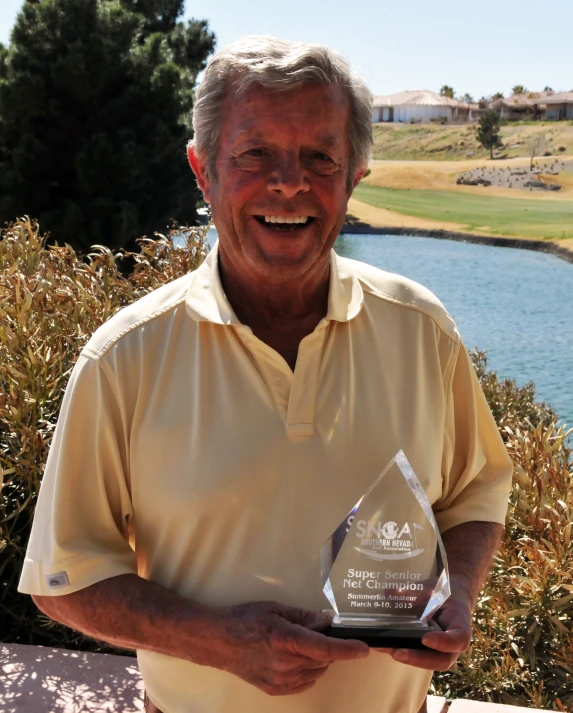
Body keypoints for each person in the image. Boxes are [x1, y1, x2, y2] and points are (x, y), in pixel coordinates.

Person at [19, 36, 513, 713]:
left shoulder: (420, 329)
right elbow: (62, 575)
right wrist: (215, 640)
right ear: (203, 171)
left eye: (320, 156)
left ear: (354, 175)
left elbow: (475, 493)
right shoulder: (123, 357)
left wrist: (454, 590)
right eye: (255, 154)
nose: (289, 181)